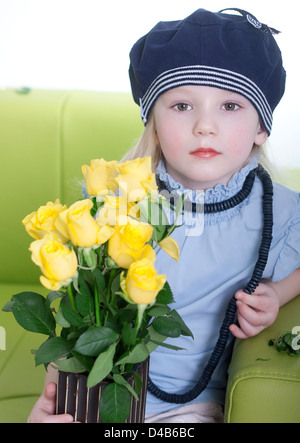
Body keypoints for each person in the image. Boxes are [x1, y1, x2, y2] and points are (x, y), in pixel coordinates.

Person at [29, 8, 300, 423]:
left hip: (192, 406)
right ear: (153, 121)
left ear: (261, 126)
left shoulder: (277, 210)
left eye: (229, 105)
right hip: (97, 389)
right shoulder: (116, 200)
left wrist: (278, 294)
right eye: (181, 105)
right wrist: (53, 400)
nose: (204, 126)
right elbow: (79, 315)